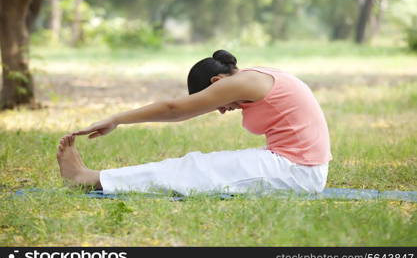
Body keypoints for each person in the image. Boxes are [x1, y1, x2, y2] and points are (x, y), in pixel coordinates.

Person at [57, 50, 332, 195]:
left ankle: (90, 179)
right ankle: (95, 178)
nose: (223, 110)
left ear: (216, 83)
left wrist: (117, 119)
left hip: (298, 172)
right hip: (294, 165)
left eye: (216, 103)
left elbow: (175, 109)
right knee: (198, 167)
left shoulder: (241, 82)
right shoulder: (255, 76)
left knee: (193, 170)